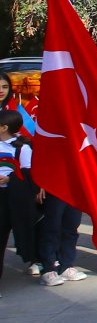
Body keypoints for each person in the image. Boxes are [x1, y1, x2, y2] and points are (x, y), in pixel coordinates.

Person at [0, 108, 35, 293]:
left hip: (14, 197)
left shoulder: (21, 147)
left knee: (25, 231)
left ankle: (39, 261)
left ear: (4, 127)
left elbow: (27, 174)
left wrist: (9, 179)